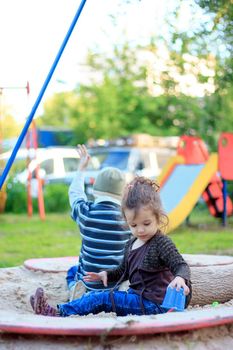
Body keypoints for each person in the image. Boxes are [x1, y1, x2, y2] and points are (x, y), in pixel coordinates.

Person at [30, 176, 192, 317]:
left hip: (155, 305)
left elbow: (181, 265)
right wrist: (105, 275)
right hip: (138, 298)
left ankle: (58, 312)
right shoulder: (132, 243)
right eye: (133, 225)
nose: (140, 230)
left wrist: (180, 278)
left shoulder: (161, 243)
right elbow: (123, 271)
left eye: (146, 223)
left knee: (101, 299)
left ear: (158, 217)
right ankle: (64, 308)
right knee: (96, 295)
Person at [65, 145, 131, 301]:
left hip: (90, 283)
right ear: (122, 195)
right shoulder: (128, 219)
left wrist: (82, 168)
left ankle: (77, 288)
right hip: (115, 280)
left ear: (94, 190)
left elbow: (75, 193)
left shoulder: (85, 212)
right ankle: (122, 287)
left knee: (71, 272)